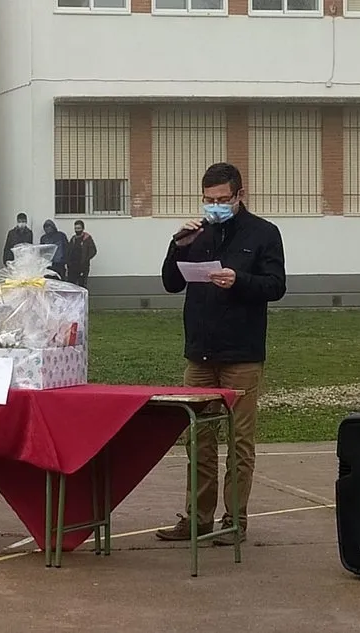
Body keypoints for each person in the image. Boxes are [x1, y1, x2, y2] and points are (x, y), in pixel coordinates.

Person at [156, 162, 286, 546]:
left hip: (242, 354)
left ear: (240, 195)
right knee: (199, 439)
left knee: (240, 441)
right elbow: (170, 283)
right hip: (200, 354)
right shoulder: (197, 234)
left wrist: (239, 280)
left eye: (223, 199)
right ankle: (197, 518)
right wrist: (176, 246)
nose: (215, 206)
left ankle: (235, 520)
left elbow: (275, 286)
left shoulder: (263, 233)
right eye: (208, 199)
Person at [66, 220, 97, 288]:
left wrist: (86, 260)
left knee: (82, 285)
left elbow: (93, 251)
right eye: (75, 228)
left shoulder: (87, 239)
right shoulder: (73, 239)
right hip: (72, 266)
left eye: (79, 228)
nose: (77, 230)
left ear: (83, 228)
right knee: (71, 285)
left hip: (83, 266)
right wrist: (68, 262)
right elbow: (69, 251)